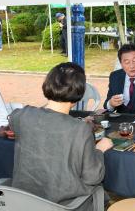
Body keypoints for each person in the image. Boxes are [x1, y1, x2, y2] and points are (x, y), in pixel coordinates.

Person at [9, 62, 113, 211]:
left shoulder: (22, 115)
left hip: (25, 203)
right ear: (79, 94)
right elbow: (93, 177)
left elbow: (18, 120)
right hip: (65, 205)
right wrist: (100, 150)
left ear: (47, 84)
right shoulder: (80, 130)